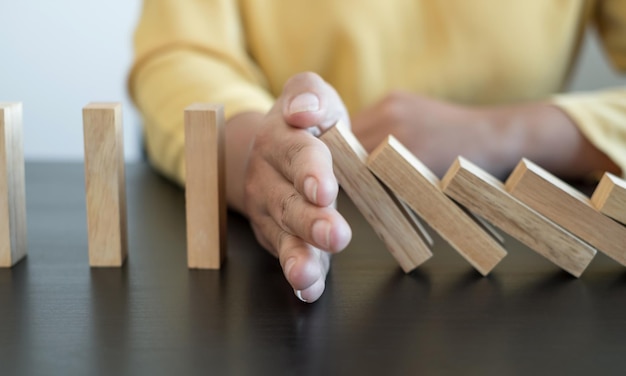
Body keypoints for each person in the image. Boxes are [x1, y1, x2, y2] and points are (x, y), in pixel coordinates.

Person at [128, 1, 625, 303]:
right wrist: (253, 151)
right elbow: (180, 53)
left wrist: (510, 132)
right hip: (293, 215)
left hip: (511, 246)